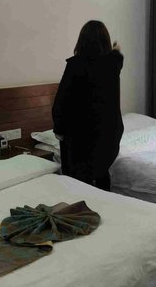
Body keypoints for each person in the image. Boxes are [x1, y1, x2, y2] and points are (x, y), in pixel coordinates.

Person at [52, 20, 124, 191]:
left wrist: (58, 130)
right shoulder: (112, 64)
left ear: (81, 41)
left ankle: (83, 203)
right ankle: (106, 201)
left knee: (79, 181)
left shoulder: (75, 65)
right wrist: (115, 49)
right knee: (102, 172)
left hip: (82, 135)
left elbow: (62, 101)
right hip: (108, 134)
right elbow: (117, 56)